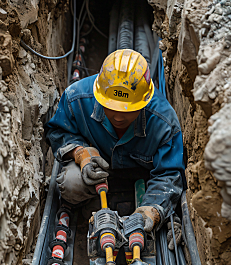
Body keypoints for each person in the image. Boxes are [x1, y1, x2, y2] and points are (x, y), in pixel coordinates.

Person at [44, 49, 186, 236]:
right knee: (71, 184)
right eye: (111, 107)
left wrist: (153, 209)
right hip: (97, 173)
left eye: (128, 110)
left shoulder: (163, 121)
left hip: (142, 176)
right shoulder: (76, 99)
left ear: (144, 101)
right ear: (99, 95)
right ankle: (88, 210)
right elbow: (57, 131)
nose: (118, 116)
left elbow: (169, 173)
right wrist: (80, 153)